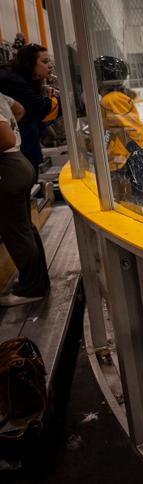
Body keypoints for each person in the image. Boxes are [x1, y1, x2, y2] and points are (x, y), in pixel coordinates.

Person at [0, 92, 50, 307]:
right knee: (24, 229)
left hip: (6, 166)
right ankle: (38, 282)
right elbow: (19, 108)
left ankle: (32, 288)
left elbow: (6, 139)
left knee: (17, 232)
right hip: (19, 161)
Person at [93, 55, 143, 216]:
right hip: (121, 162)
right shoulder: (110, 98)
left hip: (124, 164)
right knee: (128, 206)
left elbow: (137, 134)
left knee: (132, 208)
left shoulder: (112, 99)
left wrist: (130, 157)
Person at [0, 43, 59, 174]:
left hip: (26, 145)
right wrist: (55, 99)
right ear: (30, 63)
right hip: (15, 152)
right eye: (44, 61)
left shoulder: (24, 78)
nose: (50, 66)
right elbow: (40, 108)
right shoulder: (13, 79)